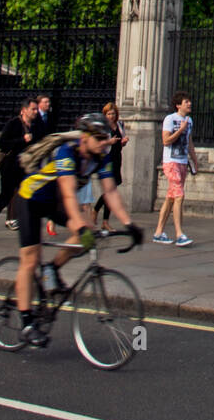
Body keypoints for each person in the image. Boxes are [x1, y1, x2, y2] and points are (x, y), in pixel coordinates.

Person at [12, 112, 143, 346]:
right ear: (85, 137)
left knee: (88, 234)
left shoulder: (101, 156)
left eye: (107, 137)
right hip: (31, 199)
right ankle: (27, 323)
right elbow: (68, 193)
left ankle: (52, 268)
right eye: (100, 138)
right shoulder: (66, 153)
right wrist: (80, 225)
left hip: (56, 203)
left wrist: (129, 224)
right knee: (30, 259)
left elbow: (110, 192)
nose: (105, 142)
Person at [0, 97, 39, 241]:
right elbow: (2, 143)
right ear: (24, 110)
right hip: (11, 168)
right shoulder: (14, 124)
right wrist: (21, 140)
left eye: (36, 109)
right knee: (3, 198)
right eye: (33, 109)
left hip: (26, 168)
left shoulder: (35, 126)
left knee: (29, 197)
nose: (36, 112)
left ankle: (27, 230)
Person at [153, 92, 197, 246]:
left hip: (182, 162)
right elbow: (166, 141)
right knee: (179, 195)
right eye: (186, 102)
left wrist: (195, 160)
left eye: (189, 101)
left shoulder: (189, 120)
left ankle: (159, 232)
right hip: (171, 162)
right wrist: (180, 130)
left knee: (171, 197)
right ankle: (179, 234)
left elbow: (189, 141)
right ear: (178, 105)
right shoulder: (170, 119)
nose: (189, 104)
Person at [94, 102, 127, 231]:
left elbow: (122, 140)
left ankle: (103, 219)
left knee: (112, 189)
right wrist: (110, 141)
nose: (111, 116)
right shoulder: (103, 127)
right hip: (107, 158)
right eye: (108, 114)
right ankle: (99, 213)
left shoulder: (119, 125)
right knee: (110, 190)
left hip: (117, 157)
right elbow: (97, 143)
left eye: (113, 113)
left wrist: (124, 142)